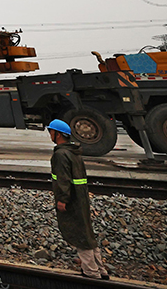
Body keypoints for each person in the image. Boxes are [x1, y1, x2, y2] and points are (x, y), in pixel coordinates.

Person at [48, 118, 110, 279]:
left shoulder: (60, 155)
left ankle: (91, 271)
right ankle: (100, 268)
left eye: (51, 131)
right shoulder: (74, 152)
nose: (50, 134)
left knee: (79, 234)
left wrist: (63, 199)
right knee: (87, 232)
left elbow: (63, 179)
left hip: (72, 200)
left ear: (58, 134)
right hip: (81, 198)